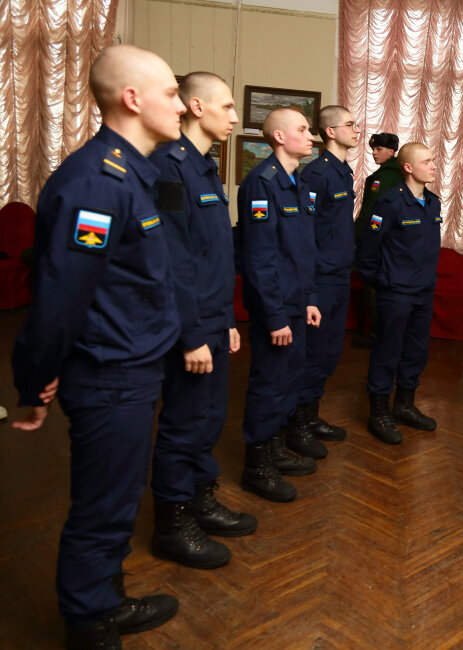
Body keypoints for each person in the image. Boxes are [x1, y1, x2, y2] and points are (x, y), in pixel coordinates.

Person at [10, 44, 185, 649]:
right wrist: (33, 381)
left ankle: (104, 601)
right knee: (102, 510)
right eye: (169, 92)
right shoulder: (94, 182)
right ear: (131, 99)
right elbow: (59, 299)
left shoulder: (138, 172)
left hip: (135, 366)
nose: (181, 105)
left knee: (117, 500)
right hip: (110, 374)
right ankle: (89, 626)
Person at [147, 71, 257, 571]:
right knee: (184, 421)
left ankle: (199, 500)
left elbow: (212, 256)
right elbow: (172, 262)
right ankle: (172, 523)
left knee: (210, 417)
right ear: (195, 105)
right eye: (228, 107)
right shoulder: (169, 167)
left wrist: (227, 320)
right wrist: (193, 334)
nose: (235, 117)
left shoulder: (205, 167)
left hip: (212, 319)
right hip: (188, 326)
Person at [236, 107, 321, 502]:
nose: (311, 136)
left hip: (295, 304)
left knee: (289, 380)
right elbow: (259, 257)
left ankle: (273, 449)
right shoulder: (262, 183)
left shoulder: (297, 183)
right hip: (276, 309)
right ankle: (258, 466)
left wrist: (309, 301)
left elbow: (301, 252)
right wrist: (274, 316)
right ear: (280, 137)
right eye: (303, 129)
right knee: (269, 384)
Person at [356, 142, 440, 444]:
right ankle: (379, 413)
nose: (433, 165)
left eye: (433, 160)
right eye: (427, 161)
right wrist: (380, 283)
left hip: (423, 292)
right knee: (387, 352)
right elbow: (368, 249)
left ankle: (404, 406)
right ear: (408, 167)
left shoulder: (433, 202)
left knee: (416, 352)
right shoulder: (389, 203)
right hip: (395, 292)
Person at [295, 105, 360, 444]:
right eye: (349, 124)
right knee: (314, 352)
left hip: (339, 274)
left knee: (330, 351)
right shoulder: (318, 173)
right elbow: (306, 230)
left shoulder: (342, 171)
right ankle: (297, 426)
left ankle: (311, 417)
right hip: (320, 277)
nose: (356, 129)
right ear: (330, 131)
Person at [353, 132, 403, 348]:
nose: (374, 153)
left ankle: (376, 336)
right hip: (397, 243)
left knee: (373, 287)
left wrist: (355, 236)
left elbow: (370, 212)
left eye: (379, 149)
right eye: (373, 149)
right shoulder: (404, 173)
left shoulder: (381, 178)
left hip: (378, 242)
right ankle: (389, 337)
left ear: (391, 152)